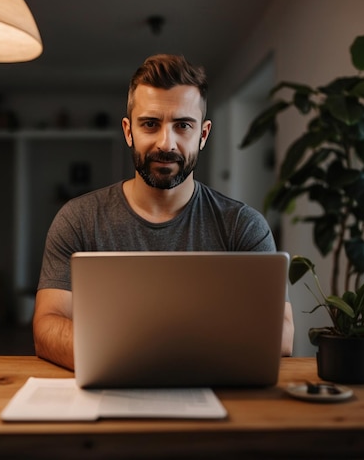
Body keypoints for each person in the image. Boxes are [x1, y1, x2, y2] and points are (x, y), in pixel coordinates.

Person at [33, 54, 294, 370]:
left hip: (216, 400)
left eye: (183, 125)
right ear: (129, 131)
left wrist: (132, 348)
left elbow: (280, 336)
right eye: (150, 124)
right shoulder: (79, 219)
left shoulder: (243, 226)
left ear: (203, 134)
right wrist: (190, 346)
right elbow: (47, 327)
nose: (165, 142)